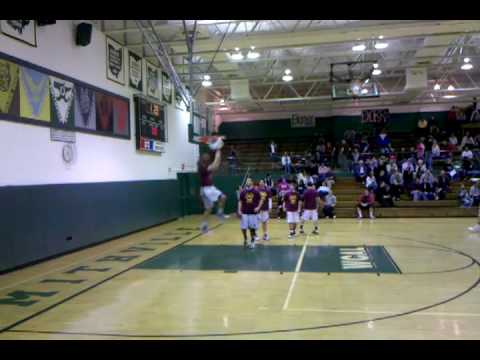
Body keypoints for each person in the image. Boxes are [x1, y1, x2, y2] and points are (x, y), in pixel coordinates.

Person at [198, 149, 227, 234]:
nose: (207, 157)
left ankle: (204, 226)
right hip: (206, 189)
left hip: (210, 188)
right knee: (221, 199)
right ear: (203, 159)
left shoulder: (206, 166)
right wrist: (218, 151)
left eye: (207, 156)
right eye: (205, 156)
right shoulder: (202, 167)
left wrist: (218, 153)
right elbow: (215, 165)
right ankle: (218, 214)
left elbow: (216, 165)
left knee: (210, 207)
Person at [238, 178, 263, 249]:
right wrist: (239, 210)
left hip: (253, 213)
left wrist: (258, 207)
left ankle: (252, 241)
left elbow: (261, 199)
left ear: (252, 182)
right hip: (244, 212)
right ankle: (245, 239)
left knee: (252, 228)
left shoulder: (256, 191)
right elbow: (240, 201)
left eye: (249, 181)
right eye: (246, 181)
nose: (247, 182)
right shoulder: (243, 192)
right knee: (243, 228)